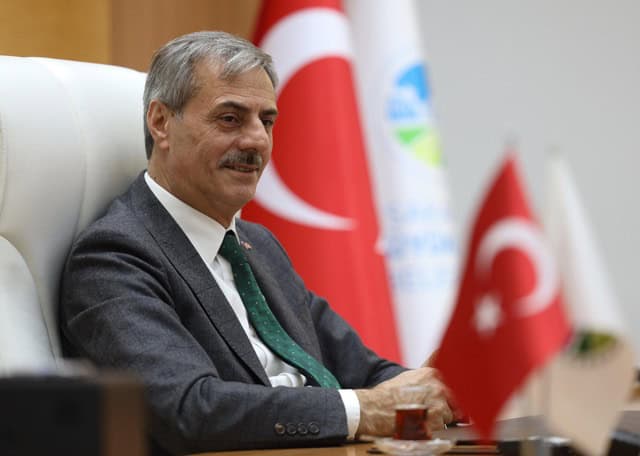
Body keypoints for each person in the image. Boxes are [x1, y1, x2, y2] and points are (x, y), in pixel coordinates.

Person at [59, 31, 456, 455]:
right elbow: (189, 410)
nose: (257, 141)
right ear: (161, 123)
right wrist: (368, 410)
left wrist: (435, 390)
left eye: (266, 121)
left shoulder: (258, 245)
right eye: (230, 119)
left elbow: (363, 371)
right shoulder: (113, 257)